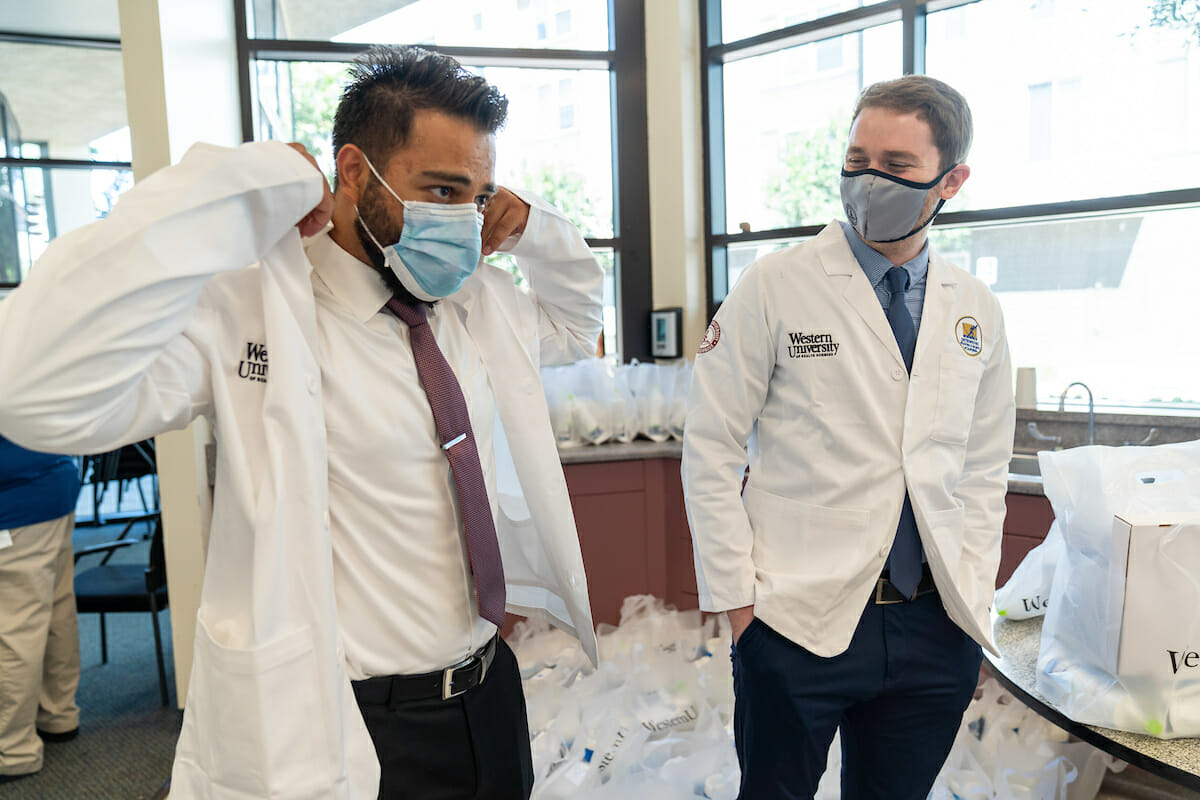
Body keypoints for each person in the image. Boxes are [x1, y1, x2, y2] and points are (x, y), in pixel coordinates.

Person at [0, 46, 601, 800]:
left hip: (489, 695)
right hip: (359, 725)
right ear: (354, 171)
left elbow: (580, 324)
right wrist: (233, 189)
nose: (464, 222)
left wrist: (538, 232)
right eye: (441, 190)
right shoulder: (247, 313)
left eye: (477, 197)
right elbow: (32, 390)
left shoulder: (475, 305)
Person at [682, 75, 1015, 799]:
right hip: (794, 621)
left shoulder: (975, 309)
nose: (868, 181)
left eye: (895, 167)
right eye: (857, 158)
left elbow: (984, 470)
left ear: (950, 180)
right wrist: (742, 611)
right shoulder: (775, 286)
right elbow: (710, 447)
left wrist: (973, 601)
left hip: (934, 627)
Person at [0, 435, 82, 784]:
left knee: (15, 627)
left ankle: (12, 751)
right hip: (52, 480)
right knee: (53, 607)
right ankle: (58, 714)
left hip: (14, 499)